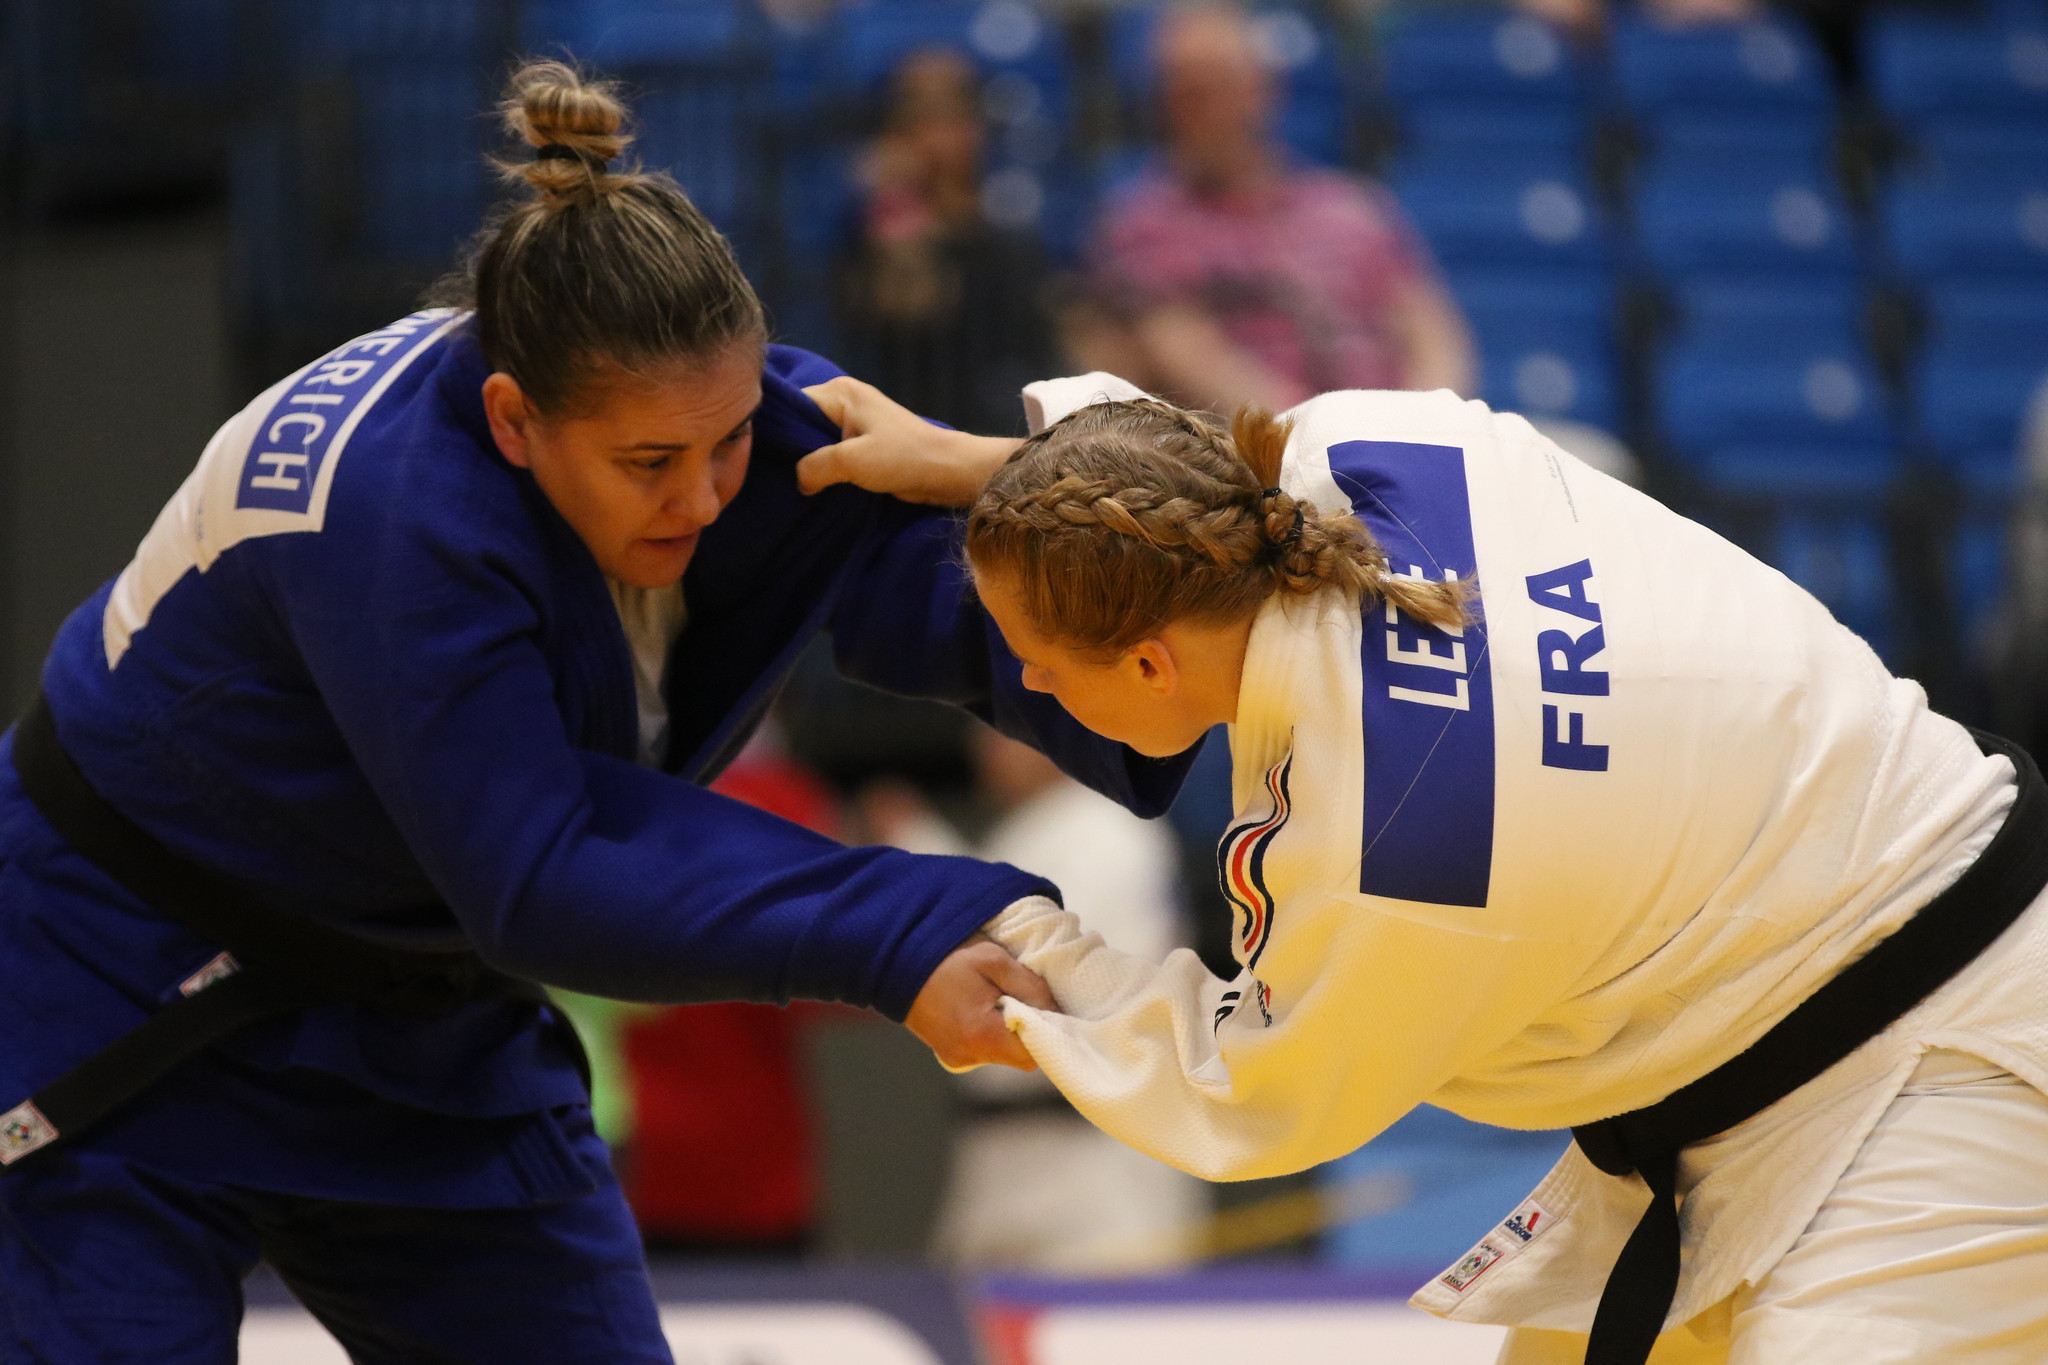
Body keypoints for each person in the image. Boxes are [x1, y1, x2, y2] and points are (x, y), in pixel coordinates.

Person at [0, 64, 1194, 1363]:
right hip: (116, 987)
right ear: (516, 421)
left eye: (729, 442)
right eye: (649, 466)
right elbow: (544, 863)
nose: (700, 494)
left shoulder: (714, 413)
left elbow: (961, 605)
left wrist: (1186, 668)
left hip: (415, 1008)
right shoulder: (391, 514)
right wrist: (903, 931)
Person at [805, 369, 2048, 1365]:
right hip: (1784, 1007)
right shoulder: (1369, 443)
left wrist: (1011, 935)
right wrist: (986, 466)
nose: (1019, 683)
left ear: (1144, 667)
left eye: (1033, 656)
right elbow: (1207, 469)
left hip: (1952, 1061)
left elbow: (1237, 1090)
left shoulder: (1396, 845)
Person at [1070, 4, 1475, 415]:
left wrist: (1430, 416)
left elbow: (1430, 330)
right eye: (1181, 91)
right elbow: (1187, 356)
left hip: (1400, 434)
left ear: (1264, 89)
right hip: (1262, 454)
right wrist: (1325, 437)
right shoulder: (1141, 224)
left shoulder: (1350, 206)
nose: (1197, 110)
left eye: (1216, 86)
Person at [834, 47, 1061, 436]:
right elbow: (912, 302)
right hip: (907, 429)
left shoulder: (1013, 238)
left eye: (953, 117)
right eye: (919, 119)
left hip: (1005, 432)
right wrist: (897, 204)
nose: (937, 137)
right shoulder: (869, 228)